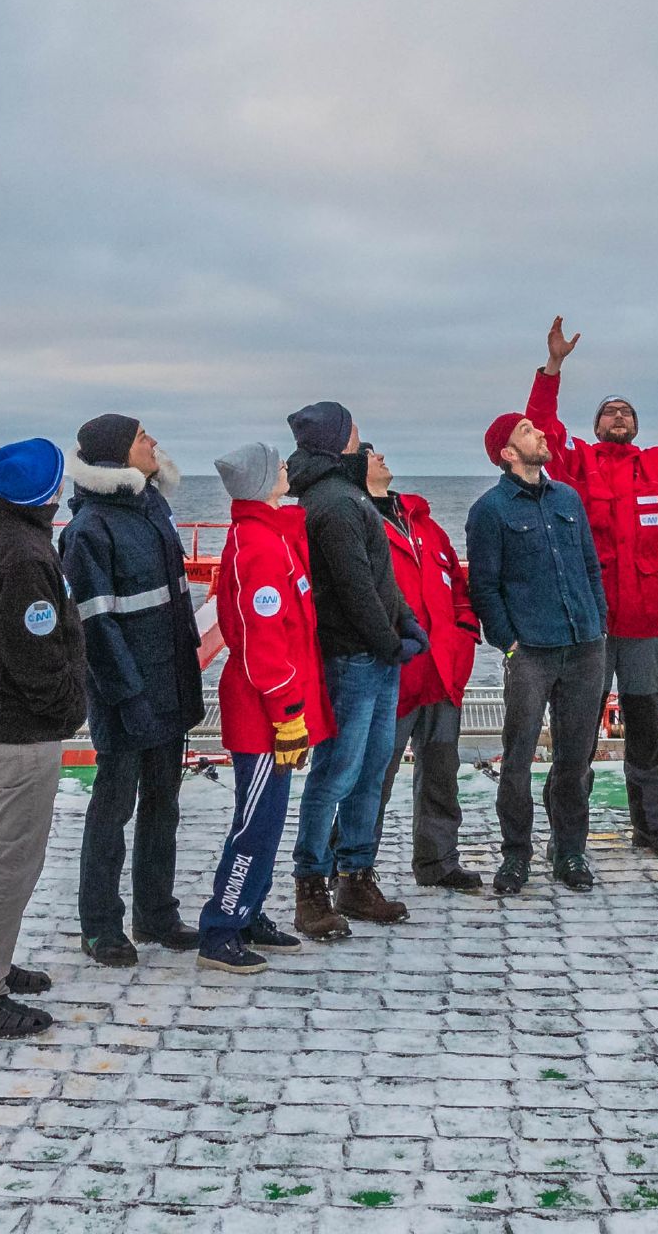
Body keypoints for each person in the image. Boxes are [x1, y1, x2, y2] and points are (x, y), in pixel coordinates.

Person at [524, 317, 658, 856]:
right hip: (587, 623)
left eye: (628, 412)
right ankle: (569, 836)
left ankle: (650, 826)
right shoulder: (574, 464)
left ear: (637, 425)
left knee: (645, 727)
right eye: (611, 411)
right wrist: (554, 367)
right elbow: (540, 423)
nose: (620, 416)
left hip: (645, 624)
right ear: (597, 425)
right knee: (578, 732)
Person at [0, 438, 84, 1036]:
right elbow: (35, 657)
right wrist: (66, 710)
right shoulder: (26, 555)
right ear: (49, 490)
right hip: (19, 733)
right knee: (14, 860)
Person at [63, 413, 208, 967]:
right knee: (113, 807)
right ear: (117, 453)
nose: (154, 442)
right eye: (142, 436)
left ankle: (156, 914)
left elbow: (172, 606)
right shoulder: (89, 529)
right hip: (125, 695)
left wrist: (184, 678)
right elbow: (95, 625)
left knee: (163, 806)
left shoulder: (152, 509)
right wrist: (128, 696)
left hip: (170, 685)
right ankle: (100, 925)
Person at [285, 401, 422, 937]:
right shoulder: (337, 503)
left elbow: (380, 579)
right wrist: (391, 642)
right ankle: (311, 884)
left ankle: (356, 875)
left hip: (375, 654)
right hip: (354, 658)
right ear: (337, 442)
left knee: (371, 771)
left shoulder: (347, 495)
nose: (363, 440)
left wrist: (404, 627)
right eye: (354, 433)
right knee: (338, 772)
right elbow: (354, 587)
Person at [465, 412, 611, 895]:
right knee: (519, 758)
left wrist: (598, 621)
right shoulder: (490, 511)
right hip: (530, 652)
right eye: (526, 432)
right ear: (507, 453)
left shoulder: (567, 497)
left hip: (585, 646)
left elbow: (590, 566)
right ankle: (515, 854)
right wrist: (508, 642)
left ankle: (569, 851)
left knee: (574, 759)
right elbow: (484, 587)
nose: (540, 434)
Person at [197, 442, 323, 975]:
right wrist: (287, 711)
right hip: (264, 714)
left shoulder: (268, 535)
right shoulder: (258, 546)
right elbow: (262, 640)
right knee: (254, 824)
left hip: (275, 707)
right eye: (278, 466)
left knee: (270, 821)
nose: (286, 470)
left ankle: (248, 911)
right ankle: (221, 927)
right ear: (261, 480)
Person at [372, 441, 483, 890]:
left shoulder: (426, 526)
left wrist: (463, 633)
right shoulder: (359, 523)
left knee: (442, 772)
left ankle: (438, 861)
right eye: (370, 453)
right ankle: (353, 869)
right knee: (373, 777)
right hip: (391, 675)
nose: (381, 455)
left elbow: (457, 583)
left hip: (441, 672)